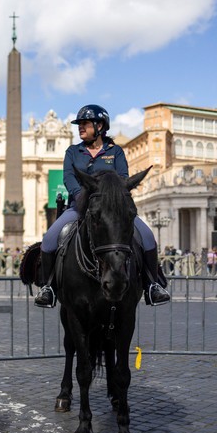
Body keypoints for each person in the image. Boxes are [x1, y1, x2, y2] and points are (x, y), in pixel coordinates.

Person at [34, 104, 170, 308]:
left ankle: (153, 285)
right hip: (78, 207)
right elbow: (69, 178)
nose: (80, 127)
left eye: (85, 123)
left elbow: (123, 179)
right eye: (79, 124)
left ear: (99, 126)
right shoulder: (73, 152)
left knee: (148, 238)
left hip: (113, 209)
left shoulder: (115, 152)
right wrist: (82, 197)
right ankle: (49, 287)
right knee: (49, 240)